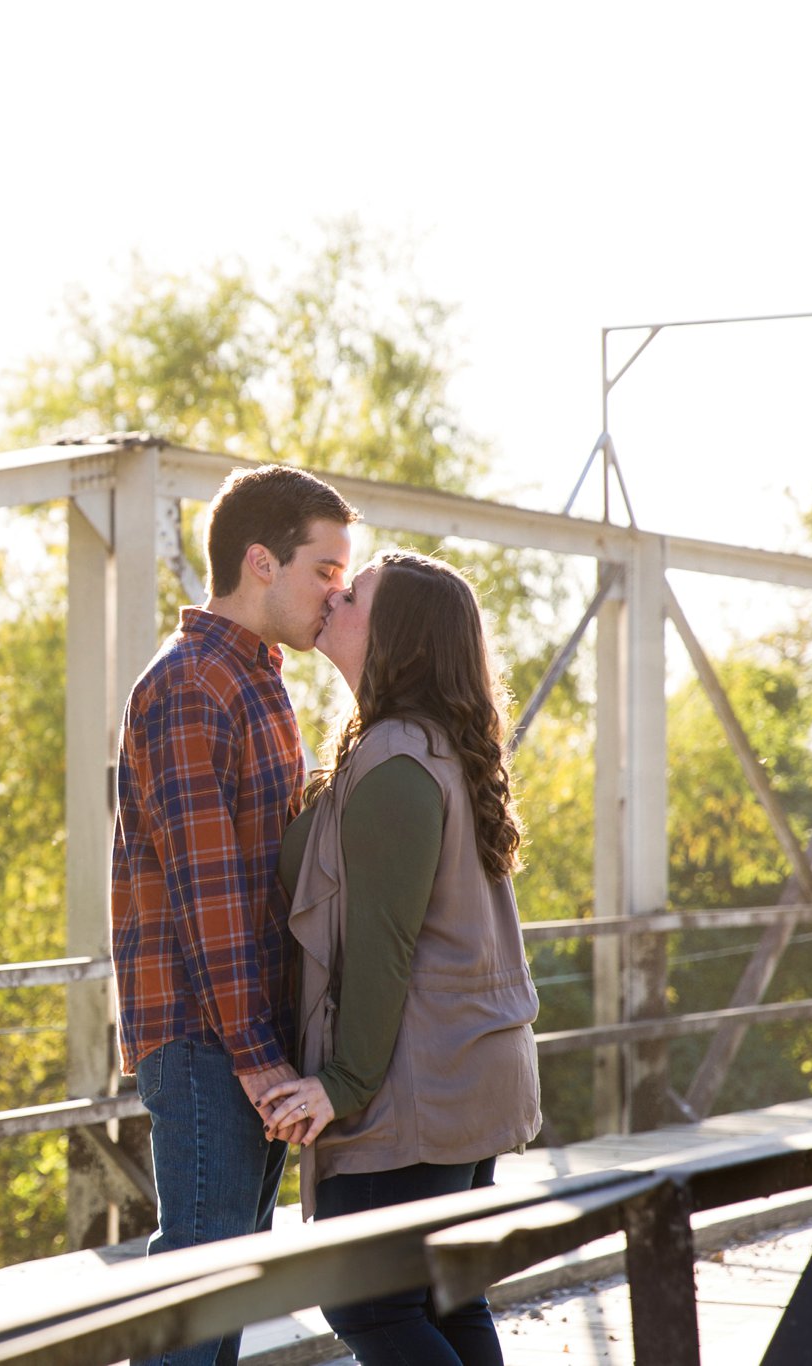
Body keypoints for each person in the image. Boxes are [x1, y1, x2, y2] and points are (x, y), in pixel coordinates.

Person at [257, 550, 542, 1366]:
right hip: (463, 1068)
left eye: (355, 596)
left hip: (417, 1087)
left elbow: (384, 949)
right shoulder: (414, 746)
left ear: (398, 640)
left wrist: (341, 1085)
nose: (335, 598)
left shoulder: (395, 763)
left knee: (370, 1306)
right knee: (444, 1302)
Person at [111, 462, 358, 1366]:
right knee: (200, 1291)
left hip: (247, 1038)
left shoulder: (257, 680)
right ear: (261, 561)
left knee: (226, 1292)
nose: (337, 593)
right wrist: (259, 1063)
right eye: (325, 570)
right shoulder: (189, 686)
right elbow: (207, 895)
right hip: (211, 1039)